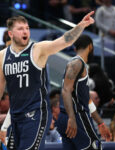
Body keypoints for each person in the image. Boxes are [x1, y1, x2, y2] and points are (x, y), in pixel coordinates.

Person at [0, 12, 95, 150]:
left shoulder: (38, 49)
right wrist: (5, 125)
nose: (25, 31)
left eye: (27, 28)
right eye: (20, 29)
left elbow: (65, 40)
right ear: (10, 34)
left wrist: (81, 25)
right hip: (15, 116)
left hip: (36, 114)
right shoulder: (3, 56)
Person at [56, 34, 111, 150]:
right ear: (90, 46)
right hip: (76, 116)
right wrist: (71, 117)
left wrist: (100, 123)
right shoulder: (77, 63)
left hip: (66, 117)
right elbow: (66, 91)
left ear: (75, 48)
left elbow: (87, 100)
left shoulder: (83, 66)